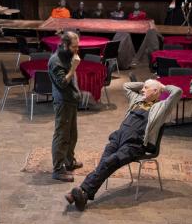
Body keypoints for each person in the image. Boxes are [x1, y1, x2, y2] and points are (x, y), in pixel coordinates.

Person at [65, 79, 181, 210]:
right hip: (118, 137)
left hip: (135, 144)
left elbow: (177, 92)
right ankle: (84, 196)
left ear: (155, 91)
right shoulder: (137, 99)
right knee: (105, 162)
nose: (142, 90)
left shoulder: (162, 107)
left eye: (146, 88)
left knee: (109, 162)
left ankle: (82, 190)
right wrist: (146, 83)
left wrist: (162, 87)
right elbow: (127, 86)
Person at [48, 31, 81, 182]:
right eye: (74, 47)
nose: (77, 50)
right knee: (62, 135)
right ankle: (57, 169)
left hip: (71, 101)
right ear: (65, 45)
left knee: (72, 134)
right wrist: (73, 68)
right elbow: (62, 82)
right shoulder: (56, 61)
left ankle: (69, 162)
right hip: (63, 102)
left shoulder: (67, 55)